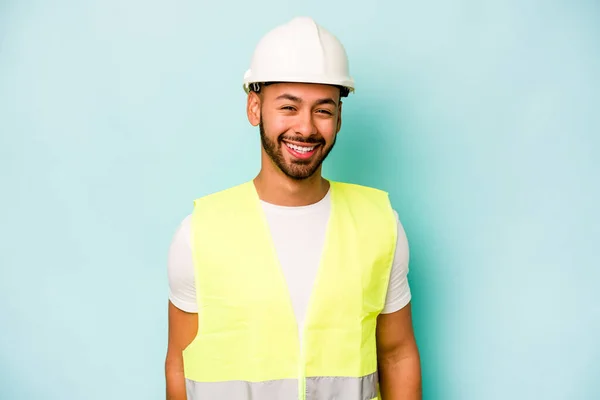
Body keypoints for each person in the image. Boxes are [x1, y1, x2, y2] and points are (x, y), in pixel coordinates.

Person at [164, 16, 422, 400]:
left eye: (323, 109)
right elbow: (179, 366)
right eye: (288, 107)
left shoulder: (380, 225)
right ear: (255, 108)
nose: (306, 128)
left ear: (339, 116)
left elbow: (397, 354)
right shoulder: (199, 234)